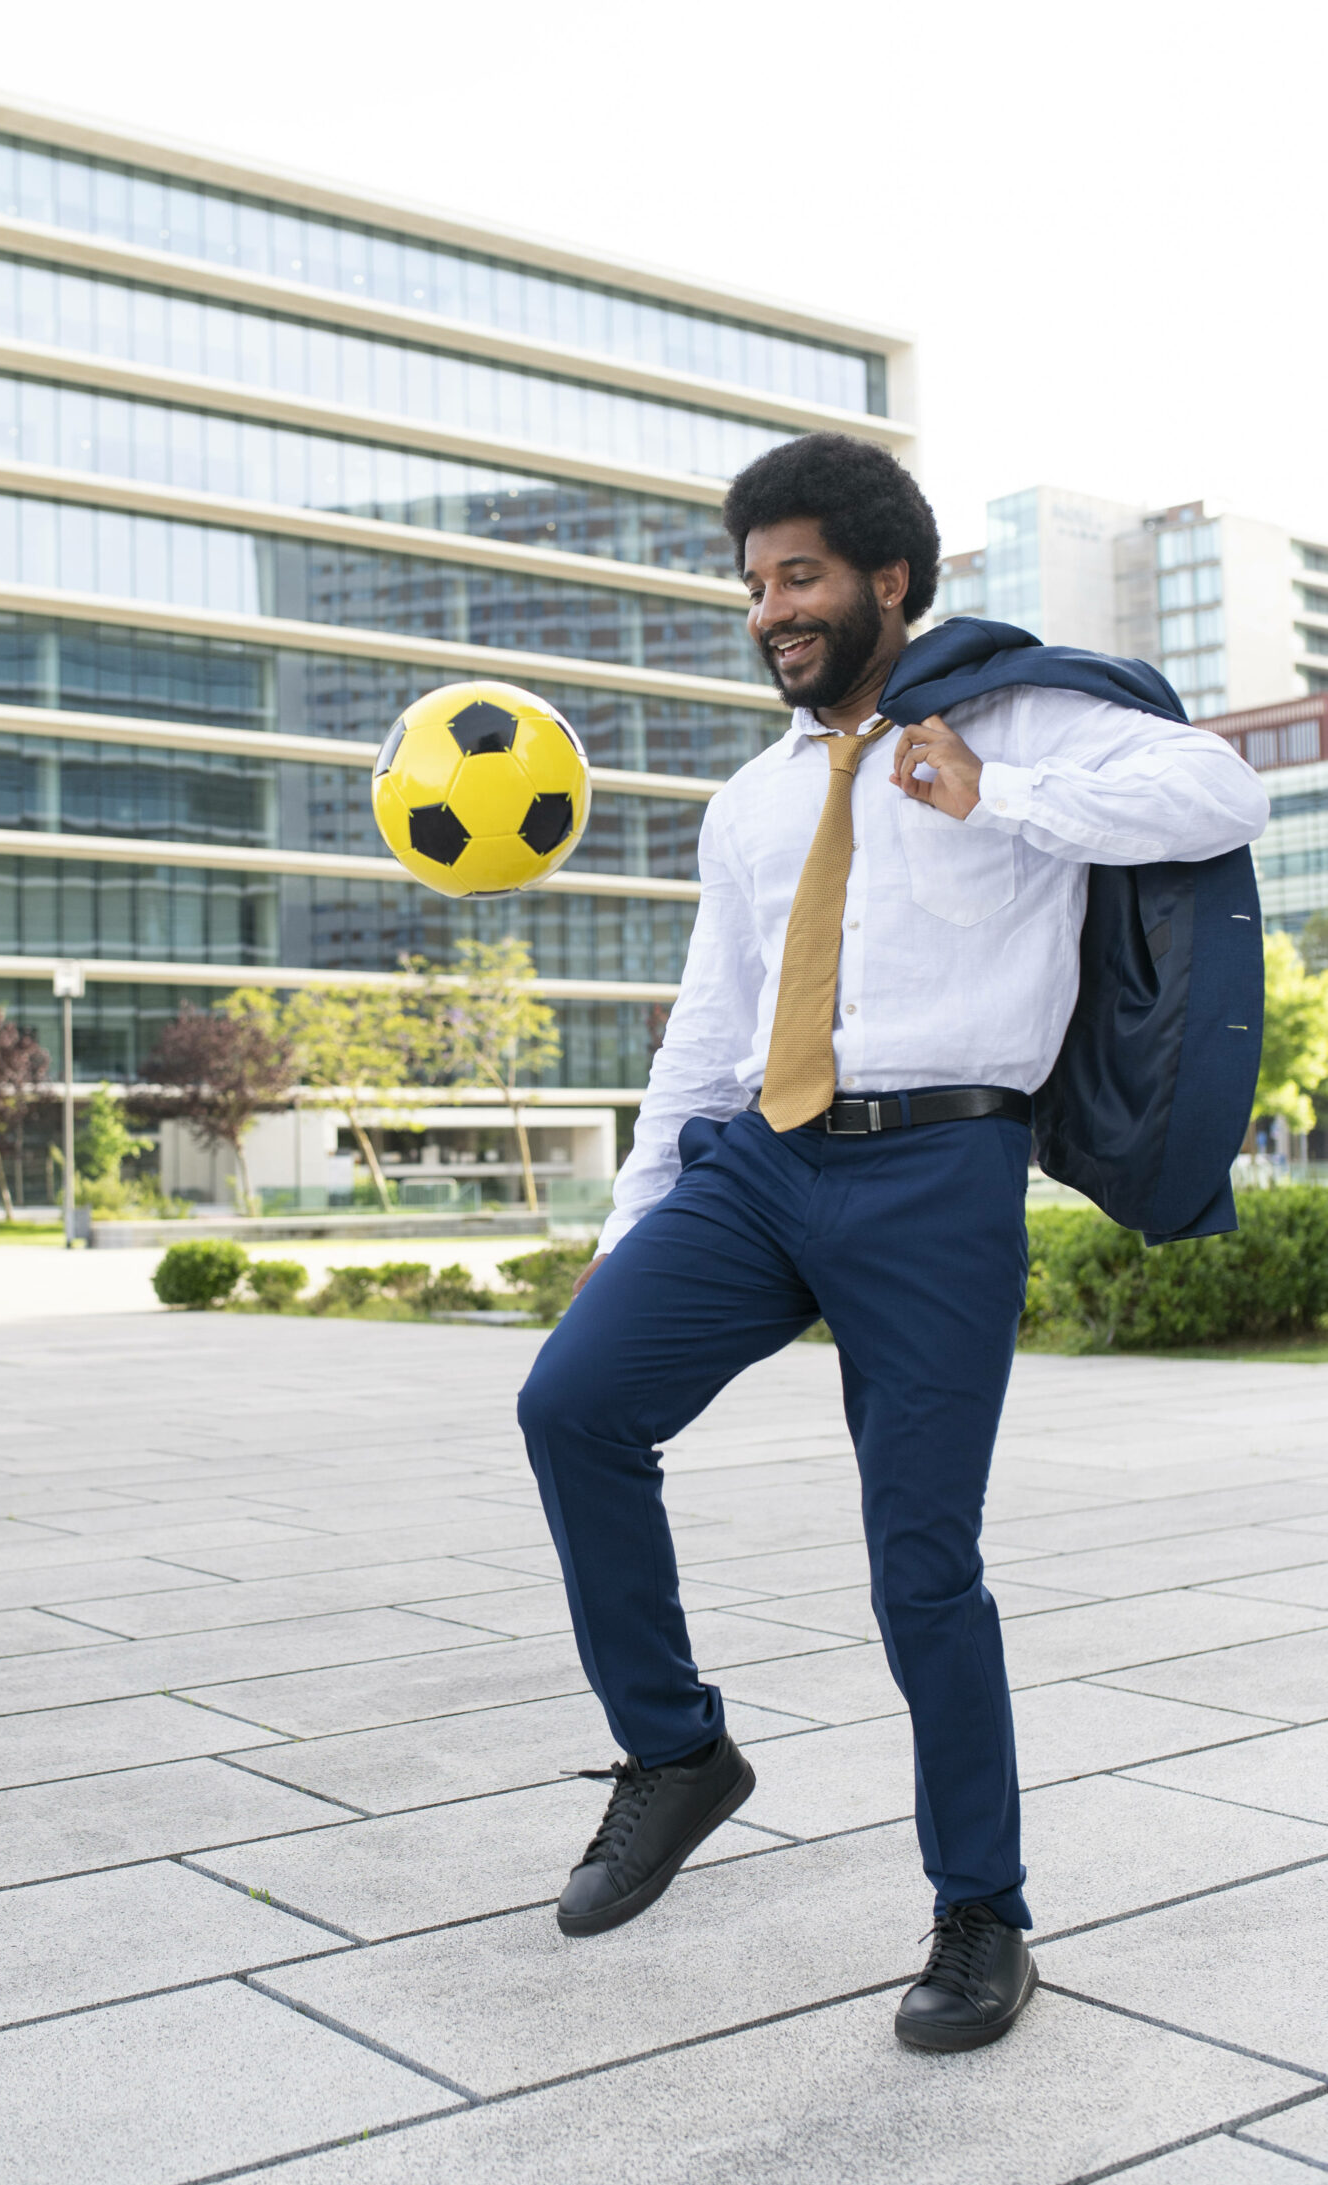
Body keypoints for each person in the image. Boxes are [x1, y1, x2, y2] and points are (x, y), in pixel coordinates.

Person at [518, 434, 1269, 2051]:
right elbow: (707, 1031)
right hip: (757, 1161)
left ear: (887, 580)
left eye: (798, 577)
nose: (771, 611)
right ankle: (675, 1754)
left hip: (940, 1176)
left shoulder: (1013, 713)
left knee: (921, 1564)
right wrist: (638, 1210)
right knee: (571, 1404)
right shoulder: (755, 799)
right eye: (754, 586)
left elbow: (1218, 787)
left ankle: (981, 1917)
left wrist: (994, 788)